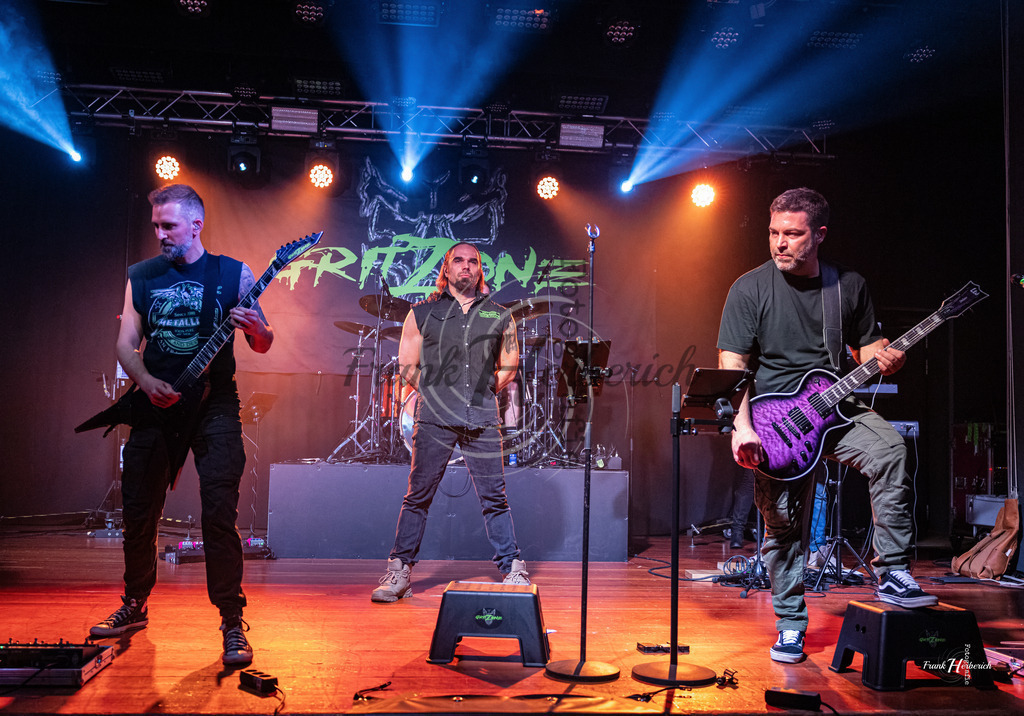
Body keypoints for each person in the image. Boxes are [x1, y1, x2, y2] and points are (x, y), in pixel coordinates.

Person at [716, 187, 936, 664]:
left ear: (818, 235)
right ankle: (791, 624)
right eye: (773, 232)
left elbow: (867, 346)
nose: (779, 243)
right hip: (777, 422)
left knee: (891, 449)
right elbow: (732, 365)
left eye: (792, 234)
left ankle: (893, 570)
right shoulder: (749, 288)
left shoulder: (847, 285)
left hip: (837, 409)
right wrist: (743, 427)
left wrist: (886, 357)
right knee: (784, 526)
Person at [89, 184, 274, 666]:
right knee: (139, 510)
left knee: (219, 512)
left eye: (167, 226)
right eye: (155, 225)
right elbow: (126, 341)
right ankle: (134, 603)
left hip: (215, 405)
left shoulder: (233, 272)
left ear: (196, 225)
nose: (159, 234)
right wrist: (146, 380)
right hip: (156, 403)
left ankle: (232, 621)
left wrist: (254, 326)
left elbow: (264, 342)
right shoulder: (141, 276)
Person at [372, 242, 529, 602]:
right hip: (435, 417)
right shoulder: (422, 313)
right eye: (458, 260)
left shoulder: (499, 315)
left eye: (473, 262)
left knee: (495, 498)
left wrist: (484, 389)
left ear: (479, 271)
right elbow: (407, 362)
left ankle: (513, 568)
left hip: (482, 417)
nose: (466, 266)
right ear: (446, 269)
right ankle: (399, 574)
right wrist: (436, 392)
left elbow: (509, 364)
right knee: (417, 497)